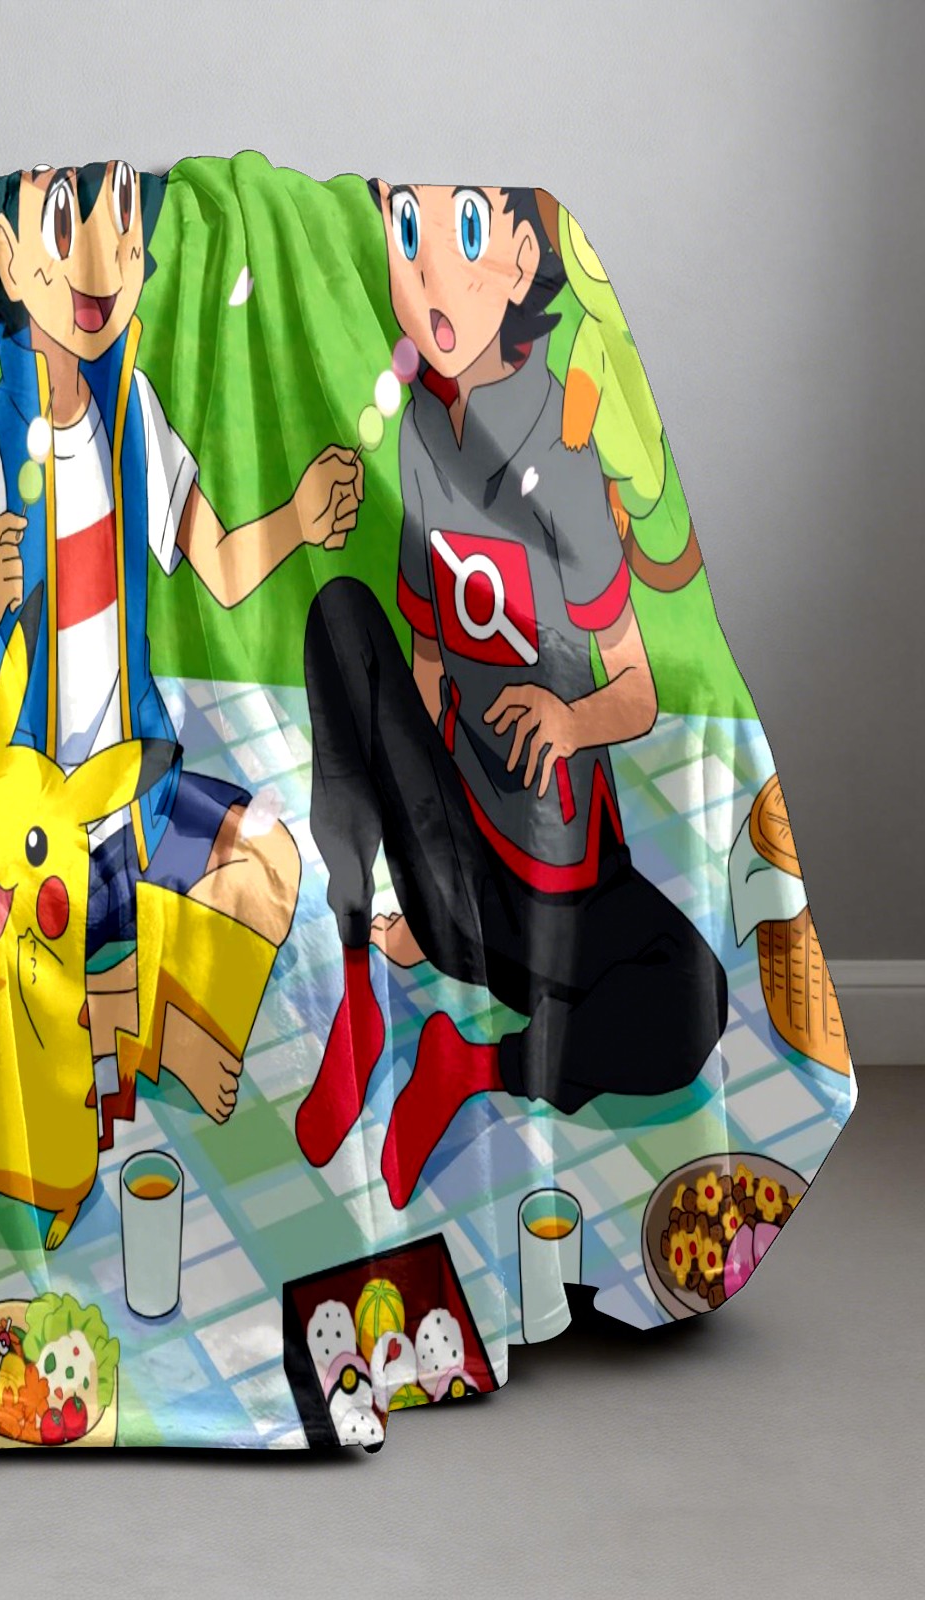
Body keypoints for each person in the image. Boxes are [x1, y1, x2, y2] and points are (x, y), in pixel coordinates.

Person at [0, 162, 362, 1132]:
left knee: (276, 865)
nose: (103, 258)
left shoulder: (133, 411)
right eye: (66, 224)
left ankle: (90, 1017)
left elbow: (219, 567)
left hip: (132, 815)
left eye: (124, 222)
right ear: (10, 260)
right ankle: (137, 1020)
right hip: (21, 848)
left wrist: (300, 520)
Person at [297, 182, 727, 1207]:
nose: (429, 274)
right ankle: (356, 990)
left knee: (692, 999)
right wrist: (414, 847)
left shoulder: (565, 453)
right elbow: (427, 657)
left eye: (462, 235)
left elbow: (637, 690)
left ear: (523, 261)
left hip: (559, 892)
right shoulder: (417, 435)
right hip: (457, 874)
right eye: (407, 236)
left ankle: (471, 1064)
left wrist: (570, 719)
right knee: (343, 616)